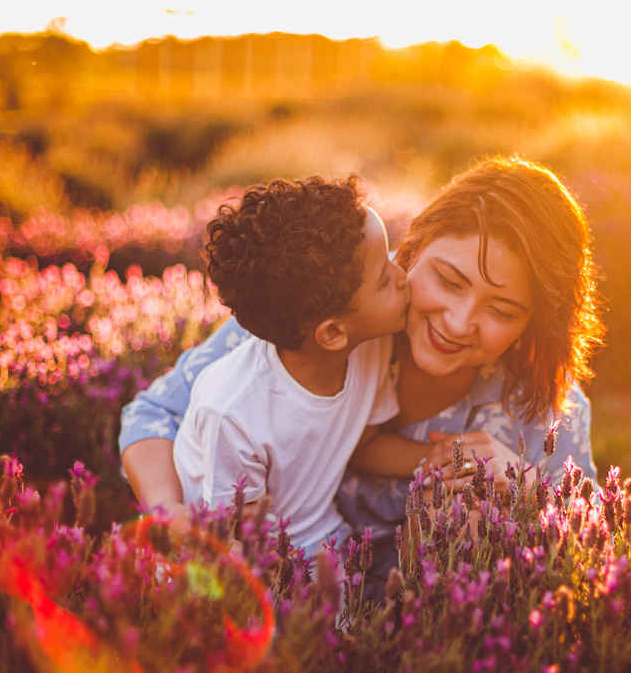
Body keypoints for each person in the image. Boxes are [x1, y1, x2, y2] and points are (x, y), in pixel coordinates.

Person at [120, 155, 604, 588]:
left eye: (502, 311)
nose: (458, 323)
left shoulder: (545, 411)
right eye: (448, 280)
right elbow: (154, 414)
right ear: (415, 245)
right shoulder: (329, 296)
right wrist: (168, 512)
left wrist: (524, 488)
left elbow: (594, 551)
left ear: (531, 324)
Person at [167, 175, 409, 558]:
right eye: (384, 279)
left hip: (326, 535)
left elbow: (365, 442)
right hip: (250, 555)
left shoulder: (367, 345)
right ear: (332, 334)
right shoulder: (233, 412)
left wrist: (441, 455)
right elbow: (238, 530)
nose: (403, 275)